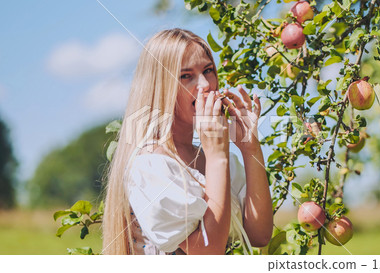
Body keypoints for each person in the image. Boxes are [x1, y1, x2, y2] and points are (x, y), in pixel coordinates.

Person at [102, 28, 273, 255]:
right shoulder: (150, 165)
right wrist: (216, 156)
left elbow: (259, 235)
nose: (205, 84)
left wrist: (250, 146)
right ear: (160, 87)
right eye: (186, 76)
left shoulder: (217, 159)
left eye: (208, 70)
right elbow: (208, 253)